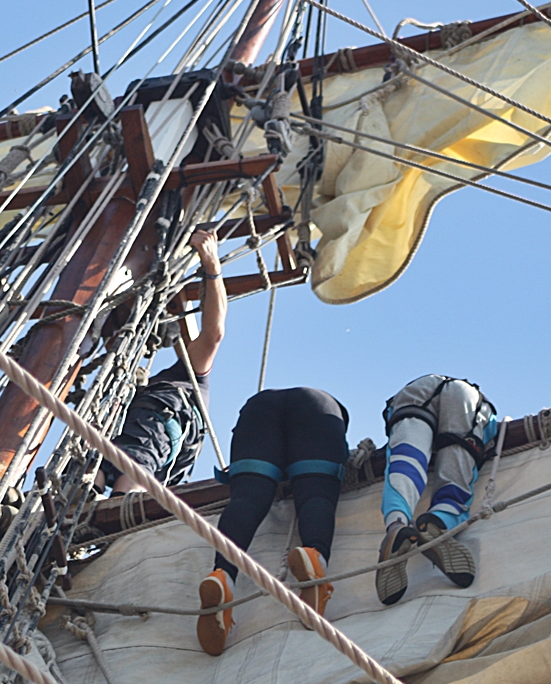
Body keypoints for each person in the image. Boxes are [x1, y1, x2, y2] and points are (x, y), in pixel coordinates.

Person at [197, 388, 350, 656]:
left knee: (246, 499)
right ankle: (314, 559)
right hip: (320, 406)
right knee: (316, 493)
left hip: (258, 406)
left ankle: (222, 574)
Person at [96, 227, 226, 494]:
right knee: (83, 474)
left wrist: (212, 265)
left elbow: (213, 335)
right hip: (128, 445)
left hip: (153, 434)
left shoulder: (189, 378)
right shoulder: (129, 389)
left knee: (125, 478)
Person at [375, 374, 498, 605]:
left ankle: (397, 523)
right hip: (467, 396)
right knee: (457, 475)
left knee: (406, 462)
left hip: (416, 390)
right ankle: (440, 518)